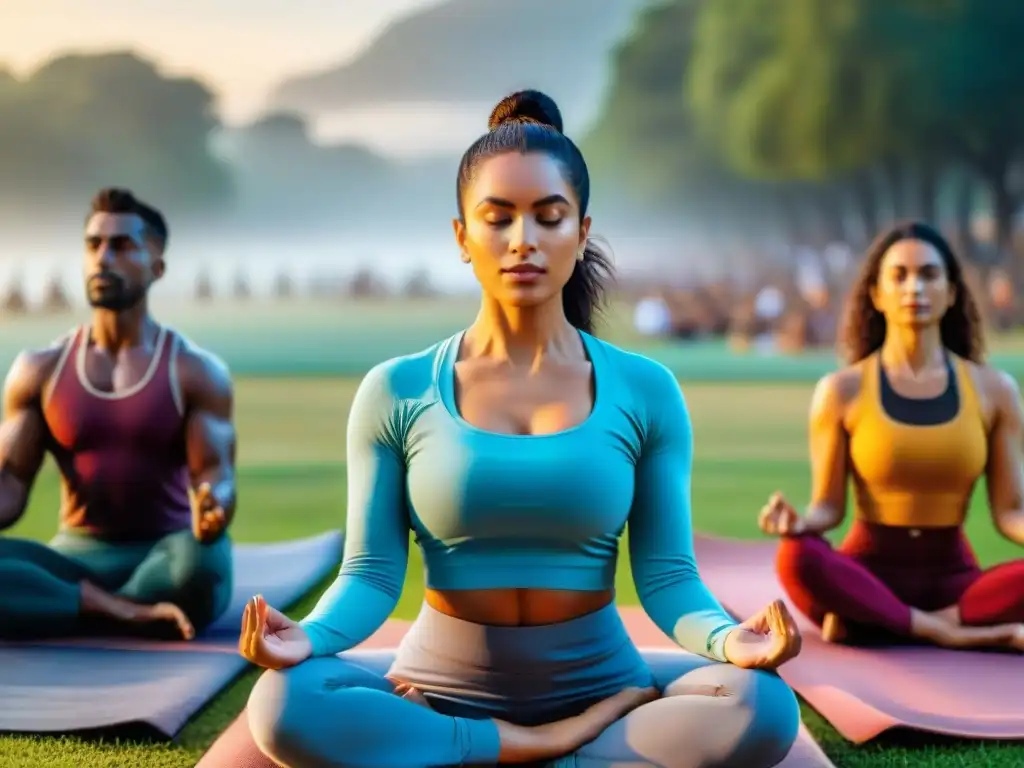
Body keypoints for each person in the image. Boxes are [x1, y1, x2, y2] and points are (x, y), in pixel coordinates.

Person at [240, 90, 801, 768]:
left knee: (764, 707)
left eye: (549, 217)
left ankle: (466, 755)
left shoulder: (646, 390)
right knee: (283, 704)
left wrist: (726, 641)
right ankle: (553, 748)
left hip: (601, 681)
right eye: (498, 219)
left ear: (583, 231)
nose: (523, 241)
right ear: (461, 237)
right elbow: (372, 571)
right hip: (438, 685)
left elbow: (668, 575)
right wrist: (311, 636)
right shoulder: (398, 389)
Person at [761, 221, 1024, 650]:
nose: (914, 288)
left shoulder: (995, 390)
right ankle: (941, 631)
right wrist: (800, 523)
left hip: (954, 584)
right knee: (797, 555)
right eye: (899, 276)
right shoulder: (840, 390)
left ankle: (890, 624)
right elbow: (828, 507)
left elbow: (1011, 512)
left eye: (929, 275)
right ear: (877, 294)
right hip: (866, 577)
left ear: (952, 292)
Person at [0, 188, 236, 641]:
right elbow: (9, 481)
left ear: (157, 267)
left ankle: (63, 606)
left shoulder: (195, 371)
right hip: (74, 558)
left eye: (122, 245)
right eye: (94, 245)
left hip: (164, 557)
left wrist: (214, 504)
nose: (103, 258)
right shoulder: (40, 369)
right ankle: (117, 610)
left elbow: (215, 475)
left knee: (204, 563)